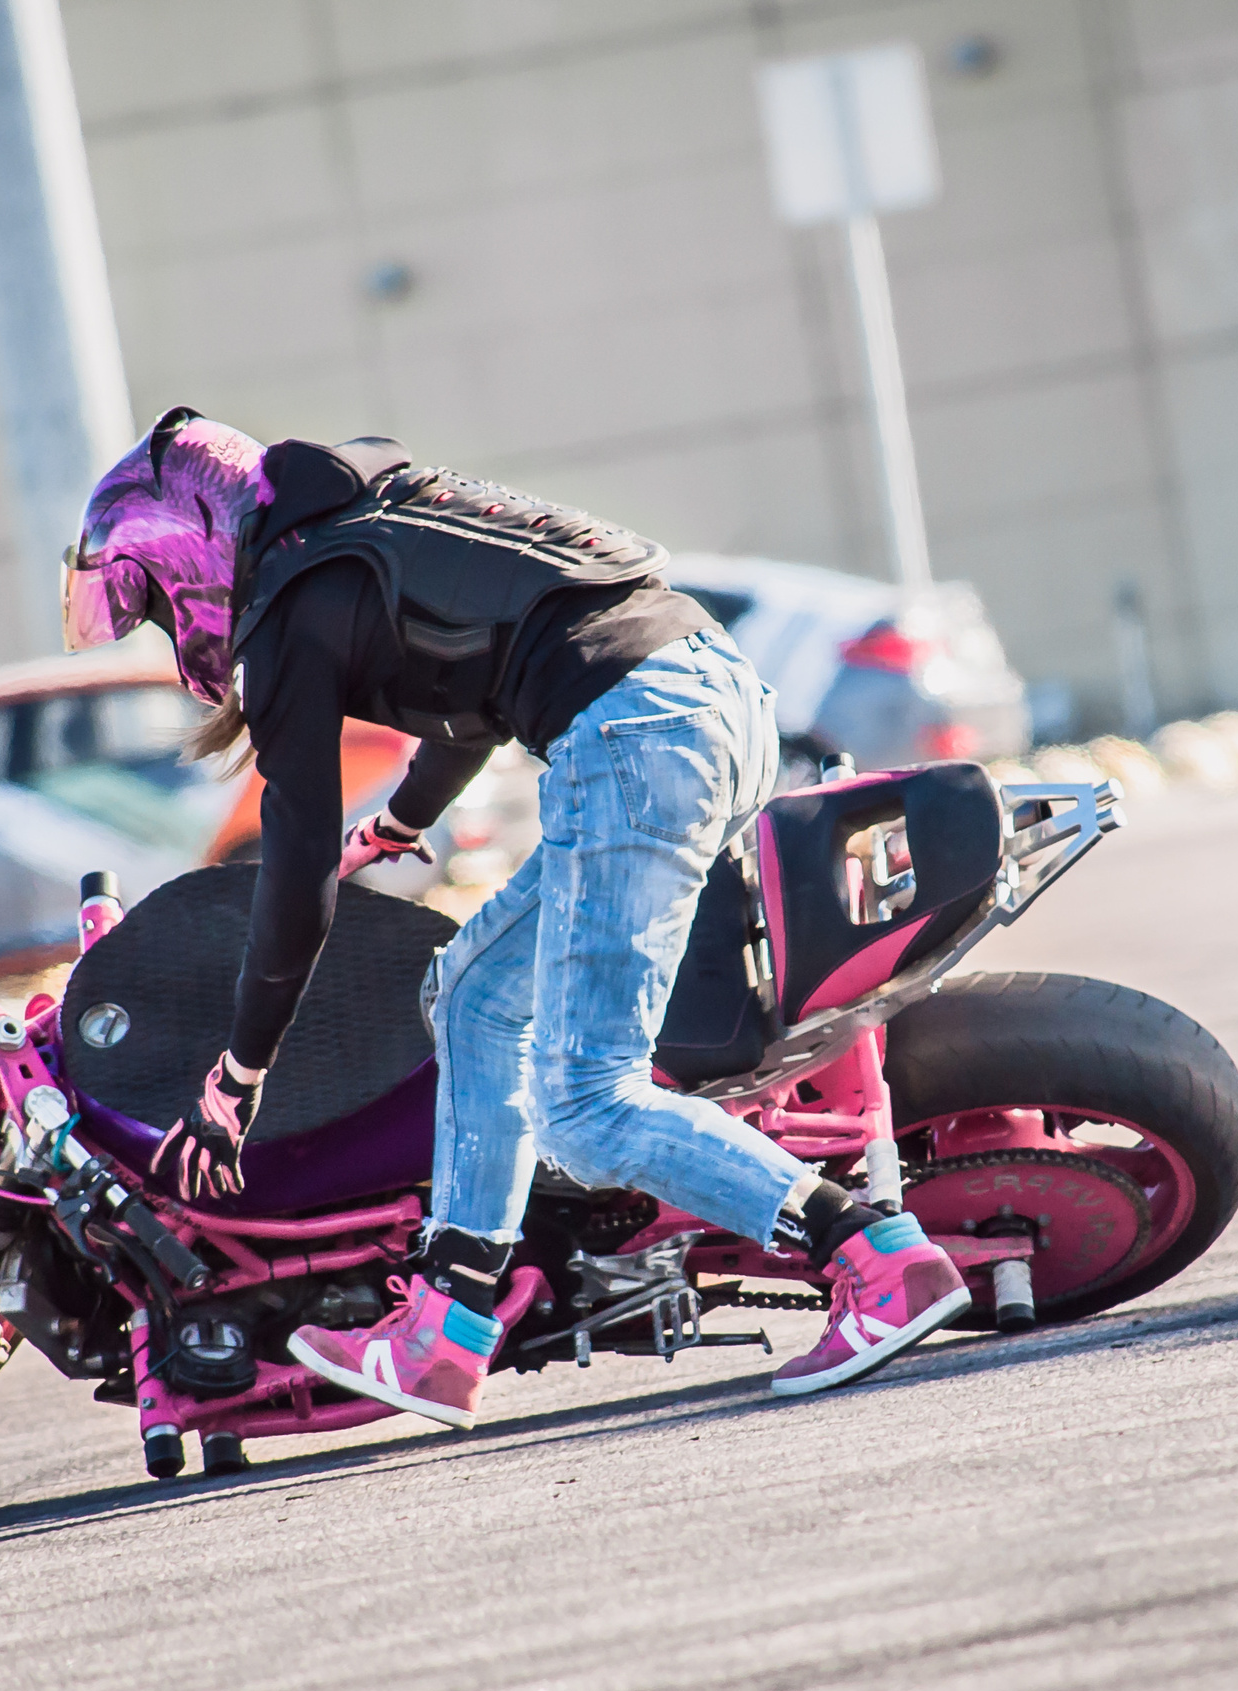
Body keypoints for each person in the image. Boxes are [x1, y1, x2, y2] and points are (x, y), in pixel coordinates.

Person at [59, 408, 969, 1426]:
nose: (164, 627)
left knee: (586, 1104)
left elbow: (294, 872)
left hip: (632, 737)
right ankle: (445, 1334)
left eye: (149, 605)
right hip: (706, 695)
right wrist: (400, 825)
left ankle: (876, 1258)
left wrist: (238, 1077)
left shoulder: (289, 612)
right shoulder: (371, 517)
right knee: (478, 998)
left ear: (185, 554)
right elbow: (478, 689)